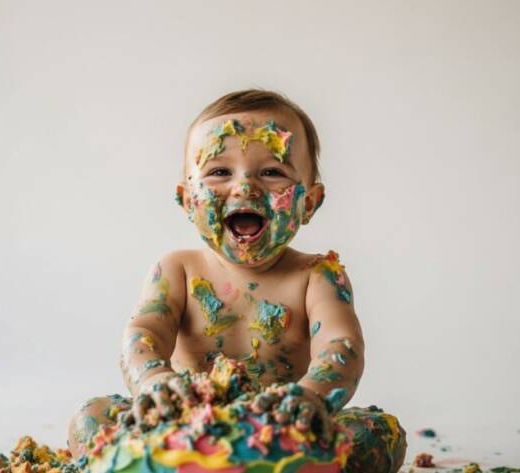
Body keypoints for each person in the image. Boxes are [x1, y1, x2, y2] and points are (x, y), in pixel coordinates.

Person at [68, 89, 407, 473]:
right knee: (92, 417)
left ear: (309, 202)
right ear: (186, 200)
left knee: (378, 431)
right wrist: (155, 383)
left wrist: (310, 399)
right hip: (187, 425)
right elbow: (142, 332)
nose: (245, 187)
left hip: (278, 430)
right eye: (219, 172)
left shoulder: (318, 276)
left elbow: (342, 346)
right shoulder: (177, 269)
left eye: (272, 172)